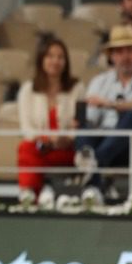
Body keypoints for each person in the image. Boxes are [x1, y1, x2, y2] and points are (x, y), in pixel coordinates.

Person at [76, 25, 132, 202]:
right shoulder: (99, 81)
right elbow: (91, 119)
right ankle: (94, 190)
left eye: (130, 50)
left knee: (130, 116)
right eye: (119, 51)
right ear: (112, 56)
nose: (125, 56)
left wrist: (110, 104)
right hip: (102, 138)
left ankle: (93, 165)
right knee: (83, 126)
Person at [17, 38, 85, 197]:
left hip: (68, 150)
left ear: (66, 61)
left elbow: (81, 125)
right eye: (50, 56)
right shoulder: (28, 89)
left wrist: (67, 138)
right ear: (41, 59)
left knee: (26, 154)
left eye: (60, 57)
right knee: (26, 148)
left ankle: (29, 198)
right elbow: (26, 129)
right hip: (41, 148)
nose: (55, 61)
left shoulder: (77, 88)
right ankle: (32, 195)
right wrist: (47, 138)